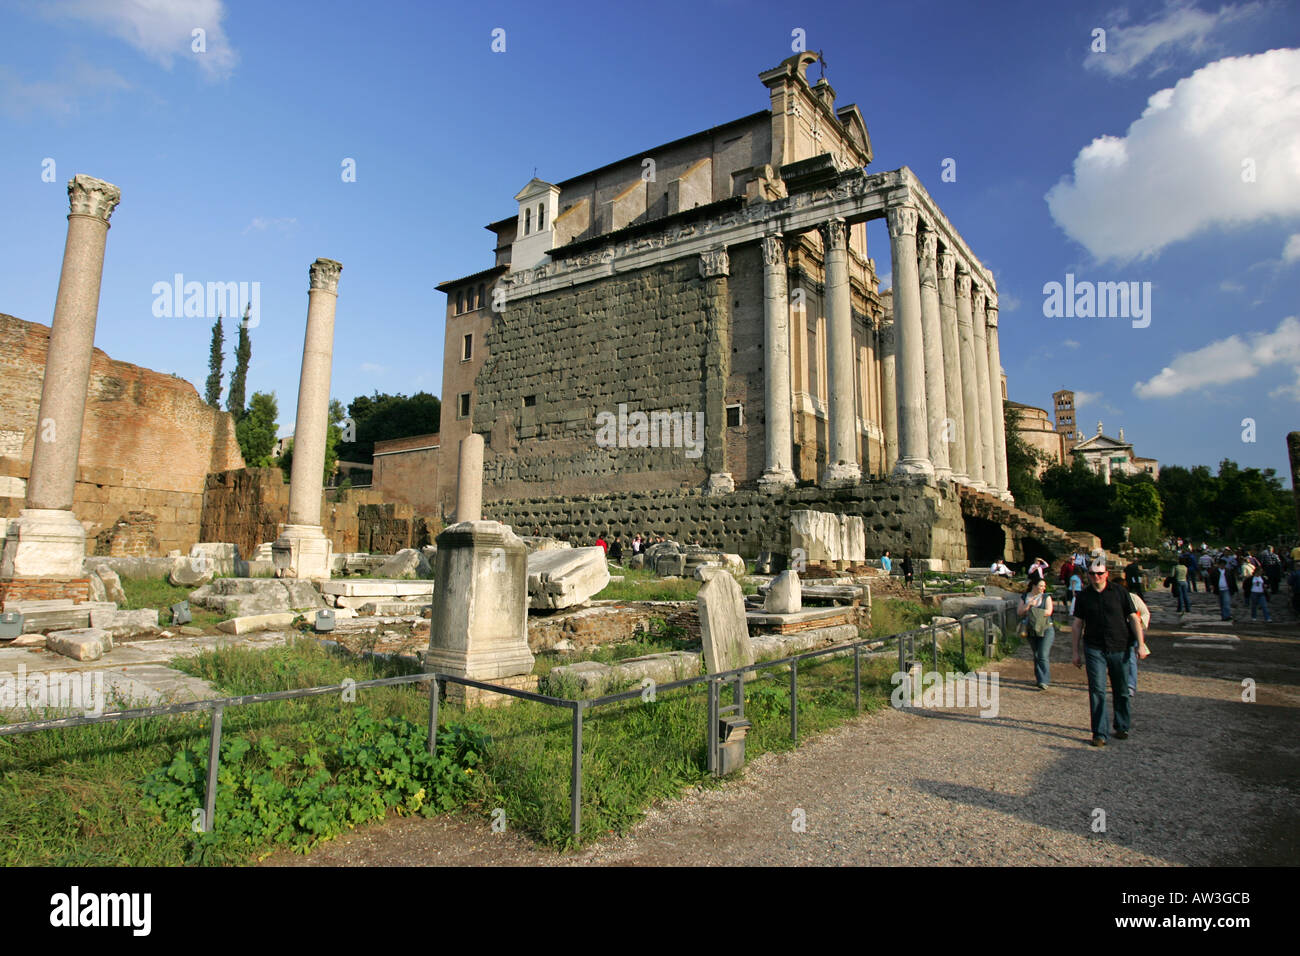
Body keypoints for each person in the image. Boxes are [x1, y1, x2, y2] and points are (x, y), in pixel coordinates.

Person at [1072, 559, 1149, 747]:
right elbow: (1077, 624)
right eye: (1092, 574)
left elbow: (1133, 618)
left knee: (1121, 689)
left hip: (1120, 646)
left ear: (1106, 574)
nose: (1096, 577)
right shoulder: (1083, 596)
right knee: (1097, 690)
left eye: (1099, 573)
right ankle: (1099, 733)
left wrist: (1141, 644)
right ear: (1088, 575)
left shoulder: (1120, 592)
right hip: (1094, 647)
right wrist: (1075, 651)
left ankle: (1122, 726)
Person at [1018, 578, 1055, 690]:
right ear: (1034, 586)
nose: (1043, 588)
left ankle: (1044, 681)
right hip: (1031, 629)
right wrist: (1029, 604)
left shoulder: (1046, 597)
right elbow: (1019, 612)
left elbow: (1049, 611)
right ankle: (1039, 678)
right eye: (1041, 586)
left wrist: (1033, 612)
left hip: (1046, 628)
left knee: (1042, 654)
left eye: (1044, 586)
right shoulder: (1025, 597)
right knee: (1036, 654)